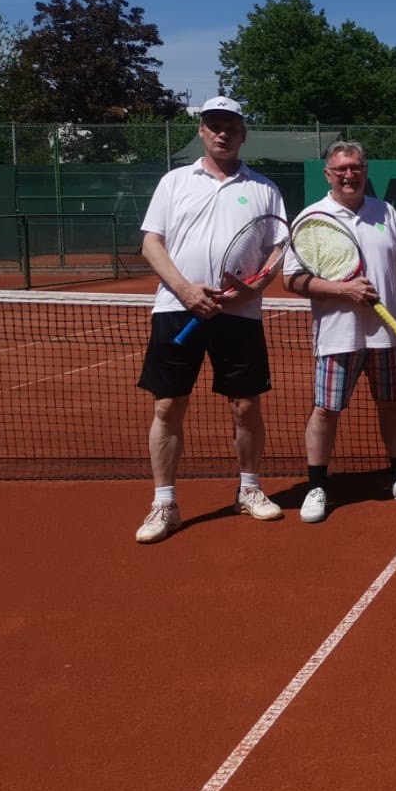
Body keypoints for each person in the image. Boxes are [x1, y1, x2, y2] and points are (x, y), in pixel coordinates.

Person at [133, 96, 287, 544]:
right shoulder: (175, 182)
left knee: (246, 406)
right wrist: (185, 290)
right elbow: (151, 244)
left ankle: (250, 489)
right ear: (201, 130)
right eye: (213, 125)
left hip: (239, 315)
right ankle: (164, 503)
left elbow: (279, 247)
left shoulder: (264, 188)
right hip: (175, 309)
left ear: (243, 133)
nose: (222, 133)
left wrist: (254, 288)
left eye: (231, 126)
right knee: (167, 406)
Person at [285, 141, 396, 524]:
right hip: (337, 335)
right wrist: (342, 290)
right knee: (327, 410)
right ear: (328, 174)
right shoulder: (312, 217)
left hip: (386, 334)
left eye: (356, 167)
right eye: (341, 169)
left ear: (365, 170)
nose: (350, 175)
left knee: (392, 404)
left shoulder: (385, 212)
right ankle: (317, 484)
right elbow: (293, 280)